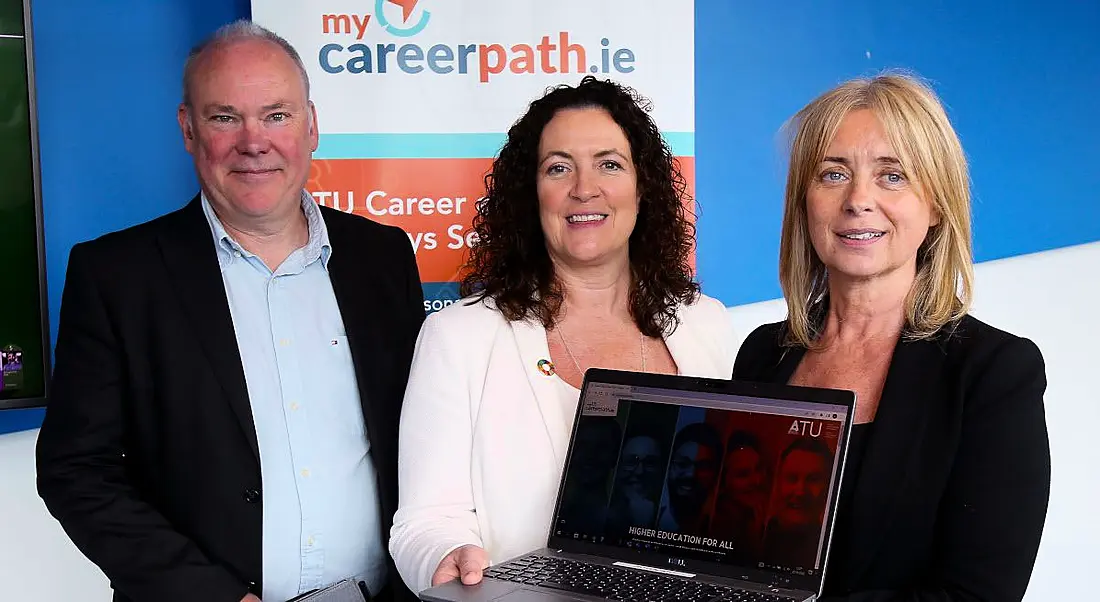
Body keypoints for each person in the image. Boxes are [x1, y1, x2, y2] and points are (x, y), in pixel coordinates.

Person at [35, 20, 425, 602]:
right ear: (188, 129)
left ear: (311, 125)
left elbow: (418, 437)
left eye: (277, 115)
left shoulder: (382, 258)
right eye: (224, 117)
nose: (253, 142)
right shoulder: (117, 275)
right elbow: (76, 470)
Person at [389, 76, 737, 593]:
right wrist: (444, 555)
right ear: (531, 194)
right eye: (558, 168)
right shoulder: (458, 335)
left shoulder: (708, 323)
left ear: (643, 187)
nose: (584, 188)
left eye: (609, 164)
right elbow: (423, 521)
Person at [732, 72, 1050, 599]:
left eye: (893, 176)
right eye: (833, 174)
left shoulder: (994, 372)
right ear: (803, 204)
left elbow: (977, 593)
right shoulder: (764, 354)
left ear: (937, 206)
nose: (859, 199)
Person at [760, 438, 832, 570]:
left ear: (828, 487)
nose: (800, 492)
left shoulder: (830, 549)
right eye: (792, 478)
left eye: (813, 480)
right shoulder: (753, 539)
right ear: (778, 483)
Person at [656, 422, 723, 533]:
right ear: (668, 467)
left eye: (703, 467)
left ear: (716, 475)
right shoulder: (644, 521)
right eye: (682, 464)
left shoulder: (720, 534)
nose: (691, 474)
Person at [711, 430, 769, 559]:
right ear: (724, 481)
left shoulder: (762, 519)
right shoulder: (714, 527)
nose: (757, 480)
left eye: (759, 468)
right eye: (743, 474)